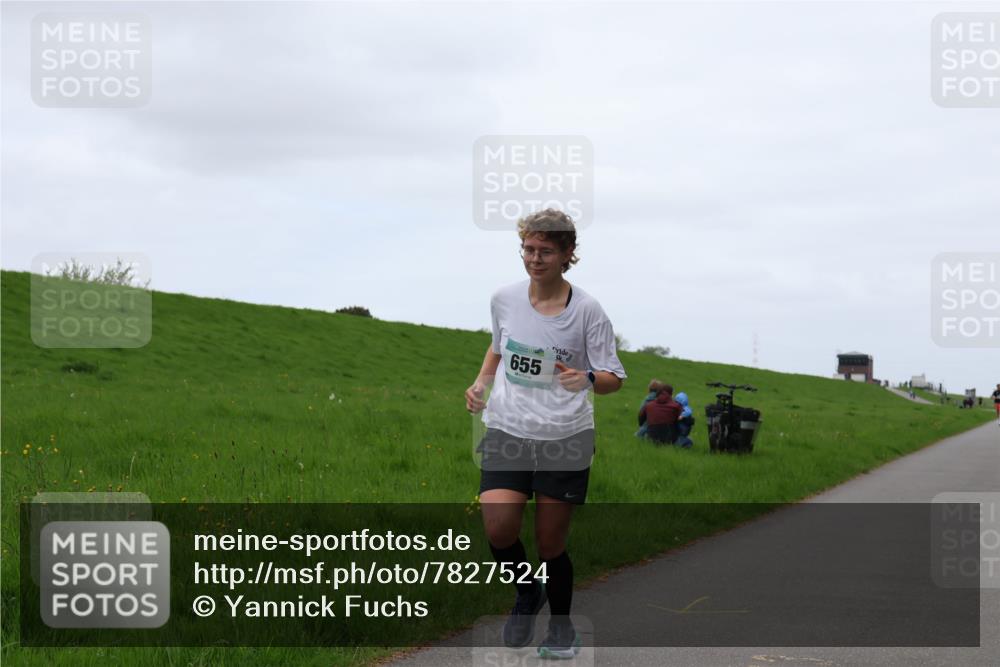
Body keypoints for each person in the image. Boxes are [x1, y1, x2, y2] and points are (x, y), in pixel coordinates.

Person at [464, 208, 626, 659]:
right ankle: (526, 592)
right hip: (507, 428)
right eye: (528, 249)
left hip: (564, 437)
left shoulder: (588, 311)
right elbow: (498, 347)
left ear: (568, 254)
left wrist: (588, 379)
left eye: (546, 251)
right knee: (498, 529)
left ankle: (560, 630)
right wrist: (480, 383)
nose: (534, 259)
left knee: (550, 543)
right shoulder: (504, 298)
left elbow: (614, 375)